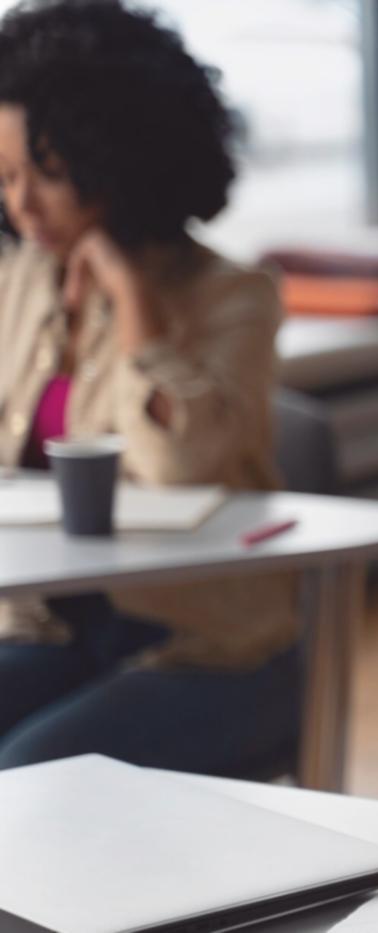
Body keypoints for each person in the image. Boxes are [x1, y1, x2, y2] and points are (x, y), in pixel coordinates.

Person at [0, 0, 299, 776]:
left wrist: (131, 300)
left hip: (201, 645)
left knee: (28, 777)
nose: (22, 205)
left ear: (114, 159)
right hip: (43, 627)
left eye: (48, 175)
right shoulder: (19, 283)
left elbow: (179, 466)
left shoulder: (233, 295)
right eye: (4, 176)